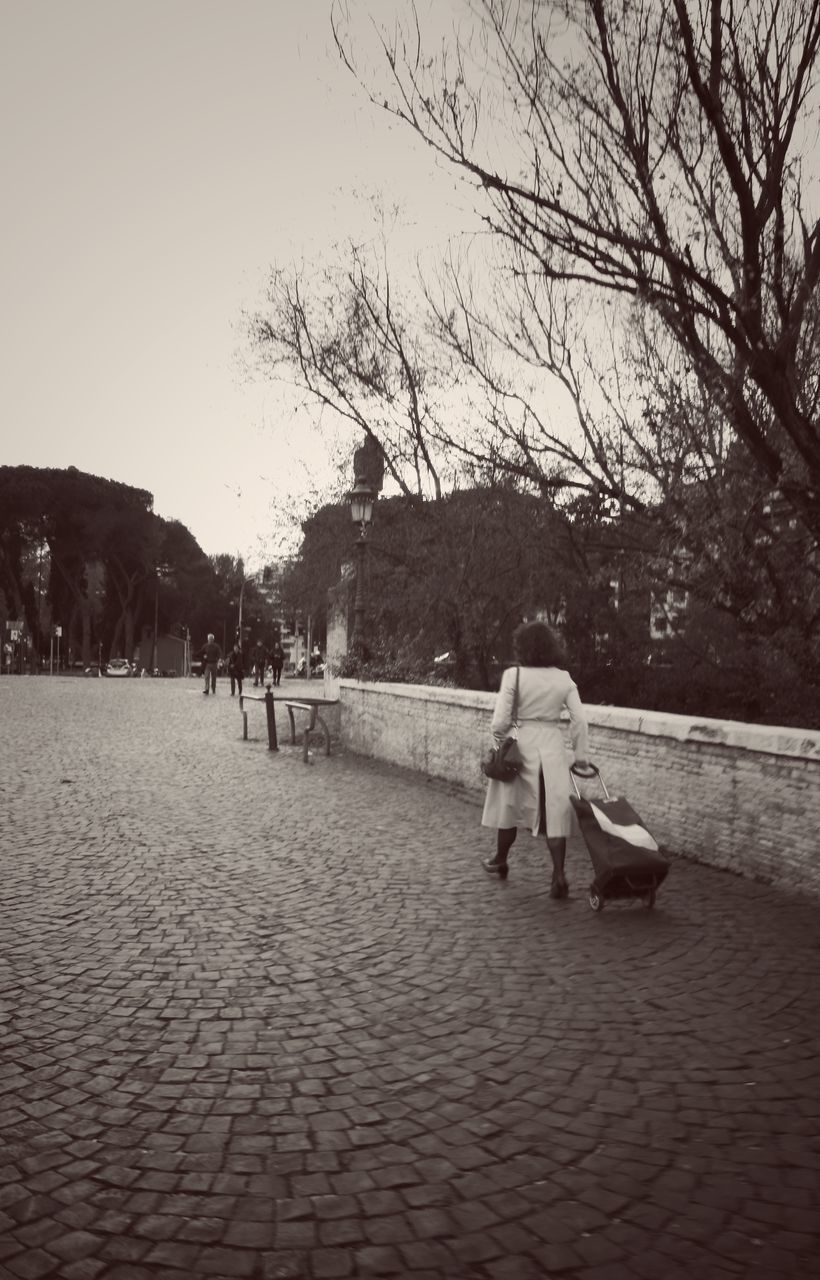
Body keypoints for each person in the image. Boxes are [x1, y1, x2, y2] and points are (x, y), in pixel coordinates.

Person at [481, 621, 589, 899]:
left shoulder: (513, 675)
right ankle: (558, 874)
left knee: (509, 806)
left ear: (522, 648)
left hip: (522, 746)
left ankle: (501, 859)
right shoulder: (563, 678)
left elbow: (501, 720)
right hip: (552, 747)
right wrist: (580, 757)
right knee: (555, 812)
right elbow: (580, 720)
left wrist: (498, 741)